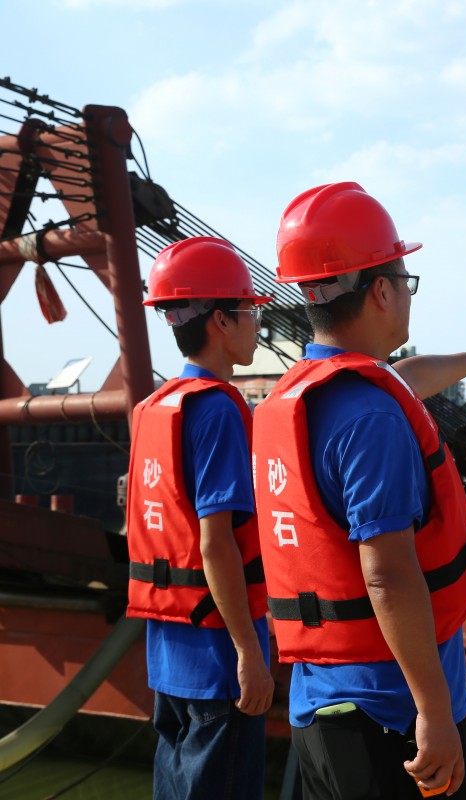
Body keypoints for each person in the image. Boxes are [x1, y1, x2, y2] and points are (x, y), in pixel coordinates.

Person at [252, 182, 466, 800]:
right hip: (391, 713)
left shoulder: (299, 397)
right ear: (380, 290)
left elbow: (407, 377)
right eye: (405, 280)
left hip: (320, 704)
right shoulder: (372, 419)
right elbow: (388, 576)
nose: (406, 294)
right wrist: (434, 712)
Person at [125, 237, 275, 800]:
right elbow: (215, 544)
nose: (256, 323)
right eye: (250, 310)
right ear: (221, 321)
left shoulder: (154, 408)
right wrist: (249, 653)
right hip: (218, 662)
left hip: (169, 658)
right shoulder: (217, 412)